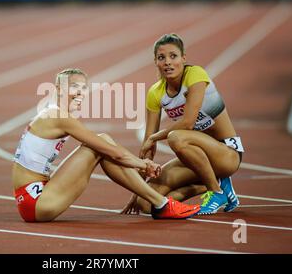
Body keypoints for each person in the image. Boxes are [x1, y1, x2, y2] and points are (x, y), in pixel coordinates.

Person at [12, 68, 200, 222]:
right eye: (74, 87)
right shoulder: (58, 116)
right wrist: (144, 164)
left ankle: (159, 203)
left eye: (84, 88)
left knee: (102, 144)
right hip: (37, 202)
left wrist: (139, 165)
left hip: (34, 195)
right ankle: (161, 204)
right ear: (59, 89)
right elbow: (112, 152)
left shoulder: (52, 113)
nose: (80, 93)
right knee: (102, 143)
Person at [122, 33, 242, 216]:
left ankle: (216, 192)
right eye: (161, 58)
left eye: (173, 56)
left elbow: (187, 123)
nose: (168, 62)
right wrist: (137, 191)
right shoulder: (155, 93)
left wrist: (154, 137)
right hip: (196, 159)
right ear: (155, 62)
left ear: (183, 58)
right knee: (146, 204)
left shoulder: (195, 75)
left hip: (226, 155)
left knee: (176, 137)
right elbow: (148, 147)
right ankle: (206, 186)